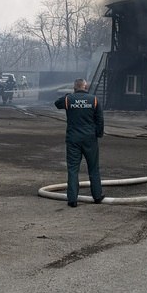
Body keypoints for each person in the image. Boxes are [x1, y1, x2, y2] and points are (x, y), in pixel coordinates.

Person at [53, 78, 105, 207]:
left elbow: (57, 103)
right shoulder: (94, 99)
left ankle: (72, 200)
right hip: (90, 139)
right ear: (85, 87)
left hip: (73, 139)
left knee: (72, 169)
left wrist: (68, 95)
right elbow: (100, 119)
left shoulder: (68, 99)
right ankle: (97, 196)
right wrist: (98, 134)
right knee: (93, 168)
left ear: (74, 87)